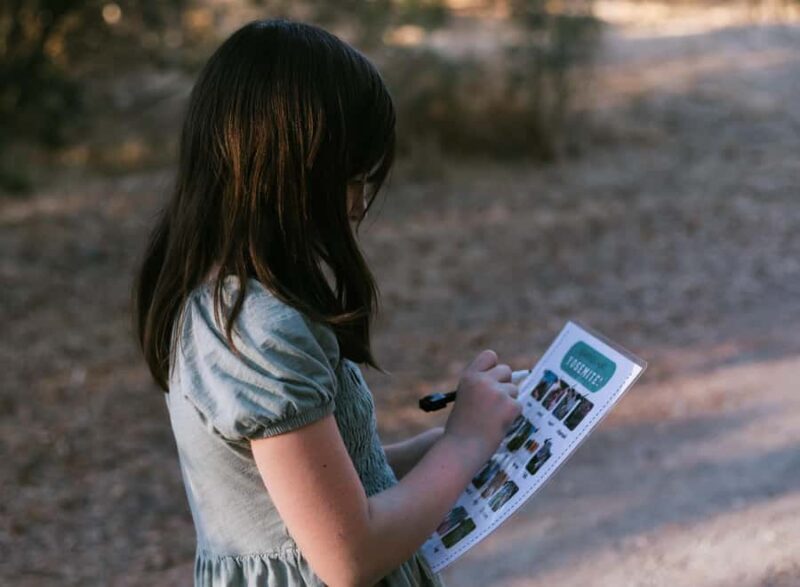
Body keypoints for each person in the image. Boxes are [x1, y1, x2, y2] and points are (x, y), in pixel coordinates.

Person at [132, 18, 522, 587]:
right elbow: (349, 554)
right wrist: (463, 443)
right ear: (289, 172)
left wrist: (456, 440)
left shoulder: (232, 305)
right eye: (350, 177)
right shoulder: (257, 330)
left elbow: (333, 485)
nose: (361, 202)